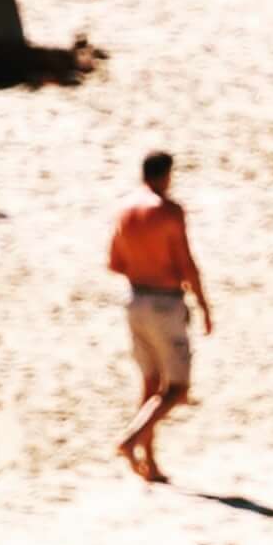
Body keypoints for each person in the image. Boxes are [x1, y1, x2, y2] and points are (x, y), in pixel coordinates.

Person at [107, 151, 211, 484]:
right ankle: (130, 439)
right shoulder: (169, 212)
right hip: (166, 303)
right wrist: (204, 305)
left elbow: (115, 262)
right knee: (177, 389)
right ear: (165, 175)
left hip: (135, 300)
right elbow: (186, 262)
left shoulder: (124, 209)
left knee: (150, 384)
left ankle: (148, 461)